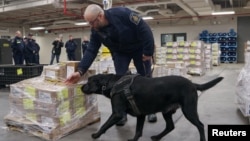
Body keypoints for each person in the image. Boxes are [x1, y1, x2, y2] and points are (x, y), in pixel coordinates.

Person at [65, 4, 157, 125]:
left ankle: (150, 109)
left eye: (92, 22)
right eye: (88, 23)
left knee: (146, 78)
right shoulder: (96, 31)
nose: (91, 26)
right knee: (120, 83)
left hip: (138, 48)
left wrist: (148, 52)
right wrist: (80, 71)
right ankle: (122, 114)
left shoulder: (123, 14)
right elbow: (91, 50)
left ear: (101, 16)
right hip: (120, 52)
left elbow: (144, 29)